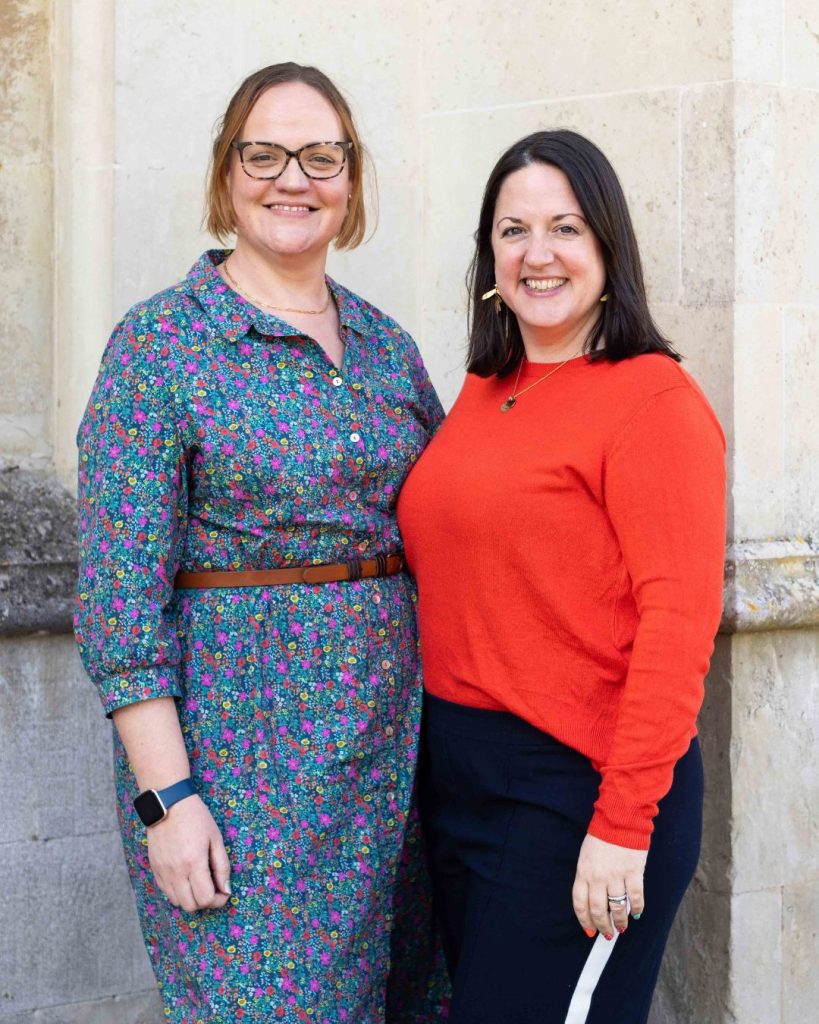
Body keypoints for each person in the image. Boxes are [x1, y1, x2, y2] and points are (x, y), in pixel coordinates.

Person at [75, 62, 448, 1024]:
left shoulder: (384, 346)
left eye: (321, 156)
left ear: (351, 180)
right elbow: (120, 602)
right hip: (243, 765)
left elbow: (455, 521)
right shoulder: (161, 345)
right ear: (225, 174)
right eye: (265, 153)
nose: (294, 178)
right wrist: (169, 799)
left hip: (399, 754)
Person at [397, 129, 726, 1024]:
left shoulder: (654, 400)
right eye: (513, 231)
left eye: (565, 227)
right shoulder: (481, 388)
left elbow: (679, 621)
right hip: (458, 780)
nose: (537, 254)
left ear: (608, 250)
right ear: (488, 257)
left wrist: (624, 825)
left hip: (578, 788)